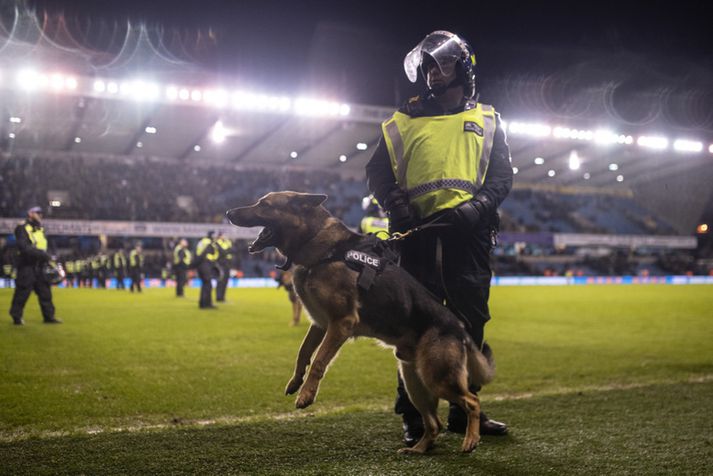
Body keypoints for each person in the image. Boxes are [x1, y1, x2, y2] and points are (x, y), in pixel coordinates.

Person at [365, 31, 513, 446]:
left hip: (470, 238)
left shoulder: (489, 119)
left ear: (463, 67)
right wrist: (397, 204)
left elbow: (501, 178)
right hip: (415, 238)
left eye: (441, 64)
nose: (433, 73)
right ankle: (413, 414)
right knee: (411, 329)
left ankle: (465, 411)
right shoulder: (402, 121)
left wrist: (475, 209)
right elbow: (377, 173)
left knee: (471, 324)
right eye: (427, 66)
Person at [8, 206, 62, 325]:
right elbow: (24, 248)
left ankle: (49, 316)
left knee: (45, 293)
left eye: (41, 213)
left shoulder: (41, 229)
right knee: (22, 292)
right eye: (38, 213)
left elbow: (45, 245)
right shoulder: (22, 227)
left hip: (40, 266)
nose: (40, 215)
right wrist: (43, 255)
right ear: (30, 213)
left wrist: (51, 255)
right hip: (27, 265)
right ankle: (16, 316)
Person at [195, 231, 219, 309]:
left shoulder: (202, 242)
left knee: (205, 284)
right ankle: (207, 304)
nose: (215, 238)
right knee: (208, 285)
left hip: (201, 265)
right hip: (206, 265)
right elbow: (208, 255)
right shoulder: (209, 243)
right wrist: (213, 263)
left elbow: (199, 254)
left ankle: (202, 304)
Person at [215, 232, 233, 302]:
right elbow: (223, 252)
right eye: (223, 235)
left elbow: (233, 250)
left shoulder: (227, 242)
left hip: (227, 264)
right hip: (220, 264)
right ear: (220, 236)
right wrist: (228, 250)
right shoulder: (217, 243)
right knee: (220, 281)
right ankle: (218, 297)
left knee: (225, 281)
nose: (225, 236)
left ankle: (222, 297)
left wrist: (227, 250)